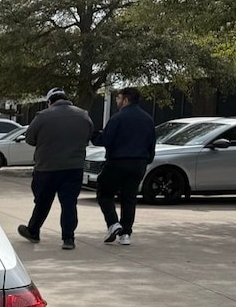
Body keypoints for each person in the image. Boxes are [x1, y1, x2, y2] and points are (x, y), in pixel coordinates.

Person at [18, 87, 94, 250]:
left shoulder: (43, 116)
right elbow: (89, 135)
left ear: (49, 102)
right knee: (69, 204)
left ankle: (33, 231)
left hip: (46, 168)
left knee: (42, 203)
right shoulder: (83, 115)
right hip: (73, 168)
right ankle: (68, 239)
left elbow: (29, 138)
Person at [91, 87, 156, 245]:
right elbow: (151, 143)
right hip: (139, 163)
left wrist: (94, 135)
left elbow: (106, 140)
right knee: (129, 198)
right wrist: (147, 160)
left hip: (117, 161)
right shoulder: (148, 119)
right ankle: (126, 234)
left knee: (104, 193)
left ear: (126, 100)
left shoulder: (118, 118)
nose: (117, 101)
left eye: (119, 98)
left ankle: (113, 223)